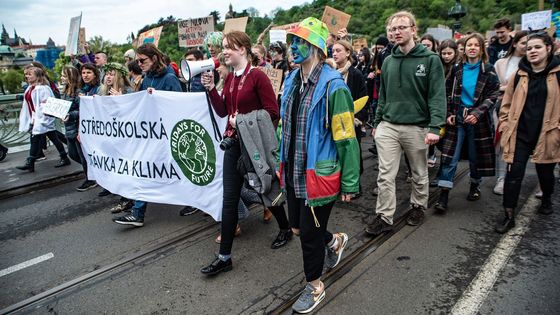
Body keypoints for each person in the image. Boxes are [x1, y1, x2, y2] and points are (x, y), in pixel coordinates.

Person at [280, 17, 360, 313]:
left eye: (299, 42)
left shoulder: (334, 87)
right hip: (292, 171)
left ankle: (314, 286)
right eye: (291, 42)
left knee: (309, 237)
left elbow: (346, 138)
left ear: (315, 46)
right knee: (299, 229)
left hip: (318, 175)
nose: (293, 48)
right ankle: (335, 240)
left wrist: (350, 182)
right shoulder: (290, 80)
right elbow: (283, 125)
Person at [198, 31, 283, 275]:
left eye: (229, 47)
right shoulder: (231, 79)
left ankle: (286, 226)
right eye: (223, 47)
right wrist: (212, 89)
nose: (224, 51)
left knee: (266, 188)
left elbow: (272, 113)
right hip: (234, 144)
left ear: (243, 50)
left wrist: (243, 121)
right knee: (229, 198)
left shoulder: (257, 77)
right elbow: (224, 111)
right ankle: (224, 257)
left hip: (253, 146)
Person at [365, 11, 446, 235]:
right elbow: (383, 95)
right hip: (389, 126)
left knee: (419, 172)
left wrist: (435, 127)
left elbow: (437, 96)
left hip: (417, 126)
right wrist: (378, 122)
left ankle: (418, 206)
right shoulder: (388, 61)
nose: (396, 32)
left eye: (401, 27)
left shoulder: (430, 60)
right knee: (385, 174)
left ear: (413, 30)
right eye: (392, 29)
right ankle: (384, 216)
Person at [495, 32, 560, 233]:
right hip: (519, 133)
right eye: (529, 48)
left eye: (537, 47)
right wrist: (505, 125)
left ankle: (547, 198)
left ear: (548, 48)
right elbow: (506, 103)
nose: (532, 51)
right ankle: (508, 215)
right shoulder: (519, 74)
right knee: (514, 174)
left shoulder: (558, 73)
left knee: (546, 173)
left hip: (547, 133)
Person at [112, 43, 182, 227]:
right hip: (151, 135)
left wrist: (158, 99)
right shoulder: (145, 78)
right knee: (143, 170)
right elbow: (140, 105)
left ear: (154, 58)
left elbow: (180, 106)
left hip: (166, 135)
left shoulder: (169, 78)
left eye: (142, 60)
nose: (139, 64)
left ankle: (203, 200)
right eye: (137, 61)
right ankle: (137, 212)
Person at [435, 33, 500, 212]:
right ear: (464, 49)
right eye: (469, 45)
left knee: (475, 157)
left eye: (476, 45)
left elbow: (494, 94)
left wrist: (478, 113)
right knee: (450, 158)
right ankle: (443, 195)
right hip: (457, 120)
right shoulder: (457, 69)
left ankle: (474, 185)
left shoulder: (488, 70)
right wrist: (448, 113)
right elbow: (446, 92)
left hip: (478, 122)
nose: (472, 48)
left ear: (481, 49)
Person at [492, 31, 529, 195]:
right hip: (504, 107)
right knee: (502, 142)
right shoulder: (501, 63)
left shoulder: (532, 63)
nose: (527, 47)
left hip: (526, 109)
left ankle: (515, 178)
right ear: (515, 44)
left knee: (522, 145)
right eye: (523, 43)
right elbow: (493, 85)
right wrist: (509, 88)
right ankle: (501, 179)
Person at [331, 40, 368, 197]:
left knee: (353, 152)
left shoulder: (356, 74)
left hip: (352, 122)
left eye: (338, 50)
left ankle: (354, 185)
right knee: (337, 153)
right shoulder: (329, 73)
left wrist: (357, 119)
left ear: (348, 53)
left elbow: (363, 97)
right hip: (334, 122)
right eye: (333, 50)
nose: (334, 53)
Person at [16, 65, 70, 172]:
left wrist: (39, 119)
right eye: (26, 74)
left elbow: (46, 104)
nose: (27, 76)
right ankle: (64, 157)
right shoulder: (31, 88)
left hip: (42, 119)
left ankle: (30, 162)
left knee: (36, 139)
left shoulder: (43, 88)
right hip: (35, 118)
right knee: (54, 138)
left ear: (37, 76)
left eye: (30, 74)